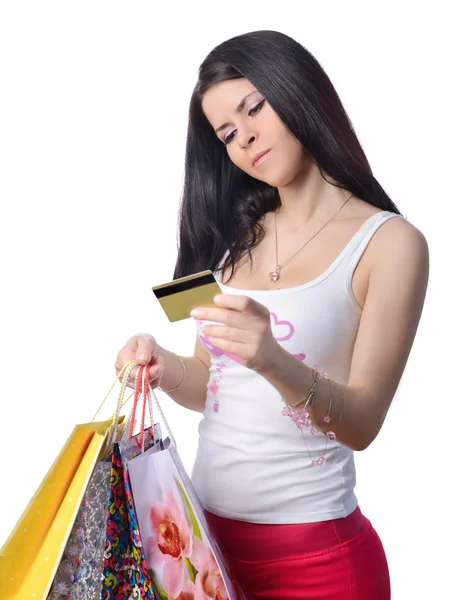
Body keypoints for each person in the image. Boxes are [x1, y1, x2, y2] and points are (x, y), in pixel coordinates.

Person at [115, 30, 429, 600]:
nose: (246, 139)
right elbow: (212, 382)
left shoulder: (390, 244)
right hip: (203, 551)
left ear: (298, 89)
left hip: (319, 564)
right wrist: (161, 365)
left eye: (254, 107)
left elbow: (363, 425)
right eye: (227, 133)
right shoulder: (229, 238)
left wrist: (273, 359)